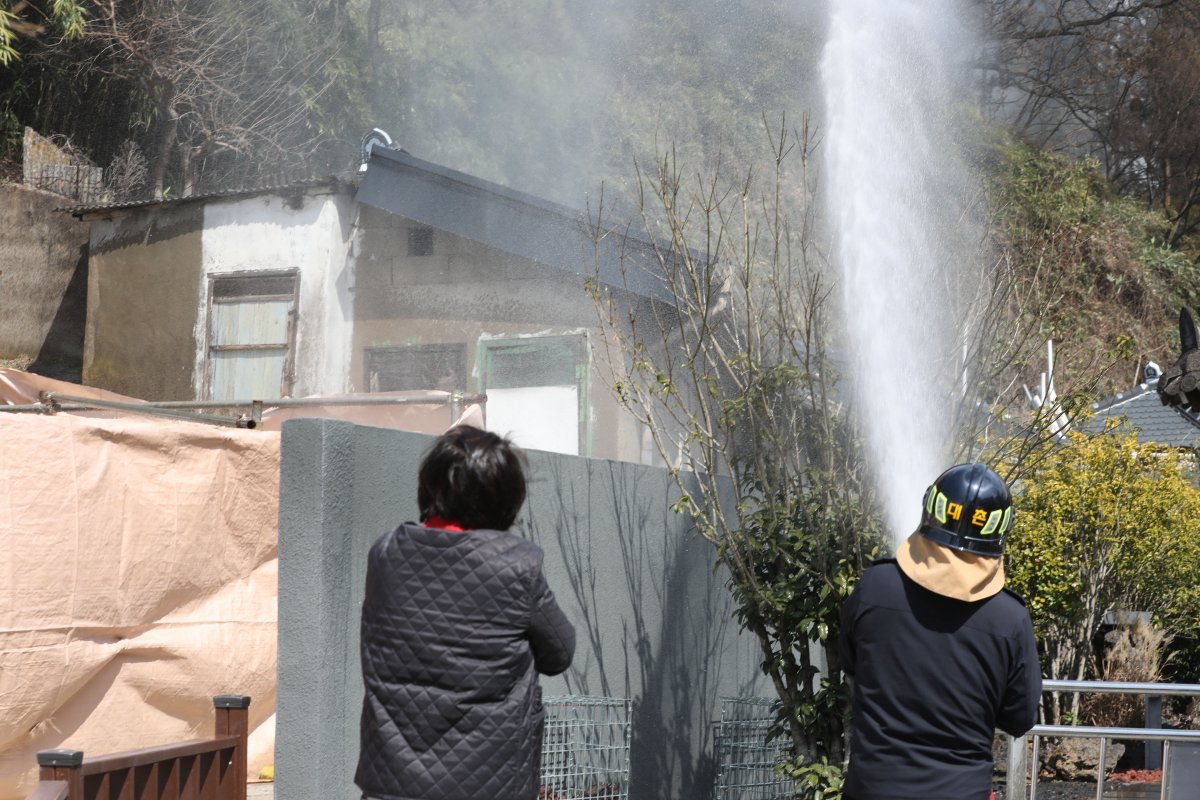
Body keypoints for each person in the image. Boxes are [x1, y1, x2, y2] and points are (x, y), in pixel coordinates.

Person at [355, 426, 576, 800]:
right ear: (504, 498)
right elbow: (559, 654)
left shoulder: (385, 554)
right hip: (488, 787)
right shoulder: (516, 566)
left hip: (390, 788)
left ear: (429, 486)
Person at [839, 462, 1042, 800]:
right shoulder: (1010, 619)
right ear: (999, 533)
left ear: (930, 510)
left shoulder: (874, 588)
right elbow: (1019, 718)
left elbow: (851, 665)